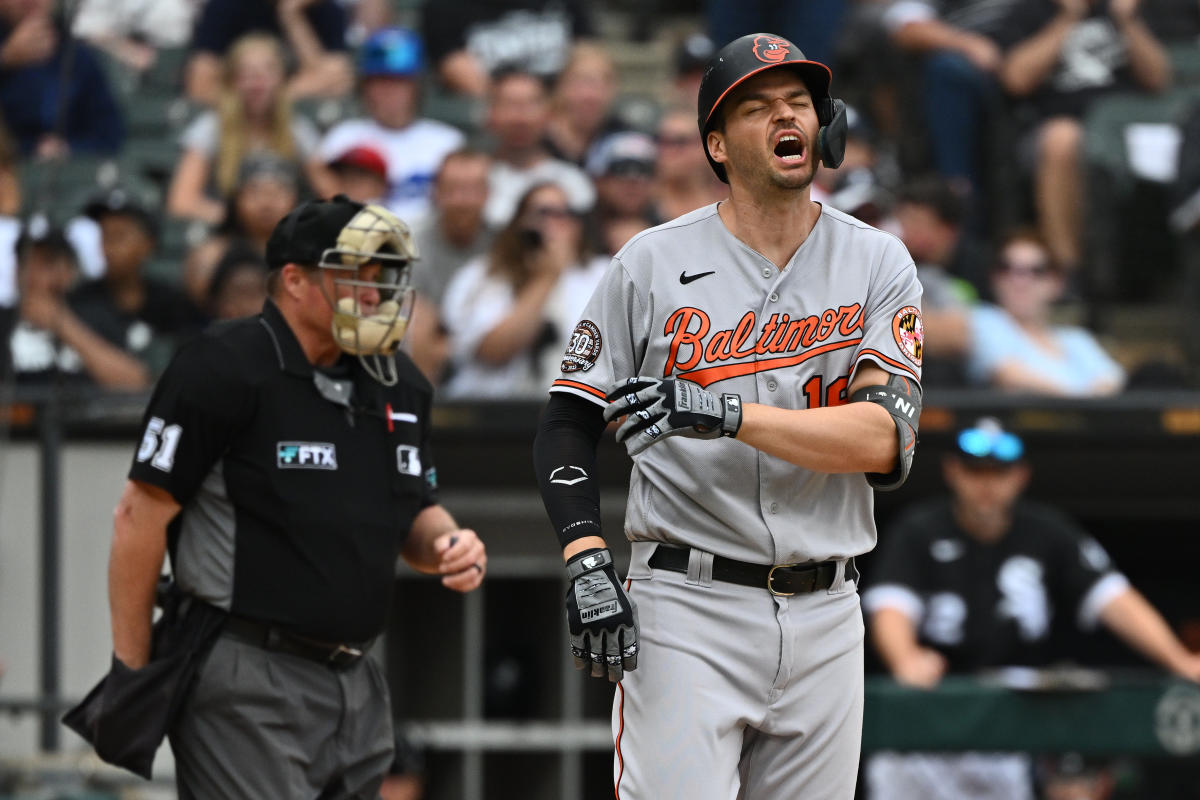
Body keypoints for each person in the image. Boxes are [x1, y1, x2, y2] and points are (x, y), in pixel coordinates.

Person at [532, 33, 925, 799]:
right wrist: (585, 556)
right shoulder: (649, 261)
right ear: (716, 142)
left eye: (801, 102)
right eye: (760, 106)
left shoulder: (879, 261)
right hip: (687, 603)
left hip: (828, 607)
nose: (789, 116)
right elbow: (567, 421)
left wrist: (725, 412)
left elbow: (883, 438)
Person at [105, 196, 487, 796]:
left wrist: (449, 544)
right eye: (354, 273)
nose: (374, 291)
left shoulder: (401, 381)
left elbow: (414, 512)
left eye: (382, 275)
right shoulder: (224, 365)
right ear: (294, 279)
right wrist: (131, 667)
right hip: (246, 671)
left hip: (358, 675)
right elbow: (138, 514)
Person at [862, 417, 1200, 799]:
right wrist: (905, 657)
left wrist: (1178, 660)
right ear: (952, 471)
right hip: (924, 725)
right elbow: (891, 607)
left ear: (1020, 475)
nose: (987, 484)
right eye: (975, 471)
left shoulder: (1047, 532)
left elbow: (1114, 599)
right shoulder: (918, 529)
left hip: (1009, 734)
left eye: (999, 472)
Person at [993, 0, 1173, 273]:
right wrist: (1067, 18)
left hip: (1123, 129)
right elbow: (1016, 78)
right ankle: (1069, 270)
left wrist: (1127, 22)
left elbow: (1159, 79)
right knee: (1062, 138)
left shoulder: (1128, 9)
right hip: (1056, 128)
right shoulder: (1032, 10)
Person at [440, 181, 605, 399]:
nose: (554, 223)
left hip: (575, 412)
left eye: (565, 214)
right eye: (544, 212)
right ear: (520, 222)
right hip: (493, 410)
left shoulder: (603, 274)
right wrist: (547, 277)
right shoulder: (484, 275)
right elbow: (494, 351)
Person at [168, 33, 332, 225]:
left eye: (267, 72)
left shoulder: (297, 128)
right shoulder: (210, 127)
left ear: (283, 80)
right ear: (231, 83)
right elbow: (181, 202)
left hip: (285, 231)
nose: (257, 83)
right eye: (246, 74)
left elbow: (331, 195)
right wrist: (243, 220)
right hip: (230, 233)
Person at [318, 27, 465, 223]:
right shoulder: (343, 137)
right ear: (365, 87)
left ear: (416, 86)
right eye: (379, 81)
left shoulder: (447, 141)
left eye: (399, 81)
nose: (388, 91)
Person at [966, 228, 1124, 395]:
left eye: (1036, 271)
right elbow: (1009, 375)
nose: (1020, 281)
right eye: (1007, 268)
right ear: (993, 278)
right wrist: (1083, 403)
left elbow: (1113, 382)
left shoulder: (1076, 339)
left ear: (1057, 282)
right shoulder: (985, 320)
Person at [70, 188, 203, 379]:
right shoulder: (81, 301)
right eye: (104, 236)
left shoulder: (174, 304)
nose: (109, 248)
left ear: (148, 244)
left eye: (119, 236)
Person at [6, 216, 148, 389]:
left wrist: (62, 324)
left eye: (48, 262)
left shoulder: (95, 315)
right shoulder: (3, 321)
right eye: (26, 261)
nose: (35, 272)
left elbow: (135, 382)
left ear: (69, 271)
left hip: (83, 413)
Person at [406, 148, 493, 383]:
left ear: (488, 194)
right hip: (432, 347)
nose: (462, 201)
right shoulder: (411, 242)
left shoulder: (503, 242)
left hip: (492, 345)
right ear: (435, 193)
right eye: (452, 190)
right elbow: (411, 314)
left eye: (472, 190)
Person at [0, 0, 124, 158]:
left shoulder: (76, 56)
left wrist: (68, 149)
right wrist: (5, 60)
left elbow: (109, 136)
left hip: (67, 172)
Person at [482, 67, 594, 228]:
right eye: (509, 104)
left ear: (548, 114)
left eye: (531, 104)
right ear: (490, 115)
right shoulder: (473, 180)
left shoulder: (573, 182)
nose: (520, 118)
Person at [185, 0, 352, 104]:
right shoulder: (225, 6)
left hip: (300, 122)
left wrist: (291, 14)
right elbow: (199, 87)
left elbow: (336, 83)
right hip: (234, 124)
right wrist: (266, 100)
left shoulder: (328, 9)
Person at [420, 0, 594, 98]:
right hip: (490, 118)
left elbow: (588, 58)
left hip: (560, 113)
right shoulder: (445, 6)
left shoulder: (569, 3)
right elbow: (457, 70)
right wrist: (521, 107)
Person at [544, 42, 625, 167]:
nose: (591, 95)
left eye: (601, 84)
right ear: (562, 85)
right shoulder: (537, 136)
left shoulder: (621, 136)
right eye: (582, 83)